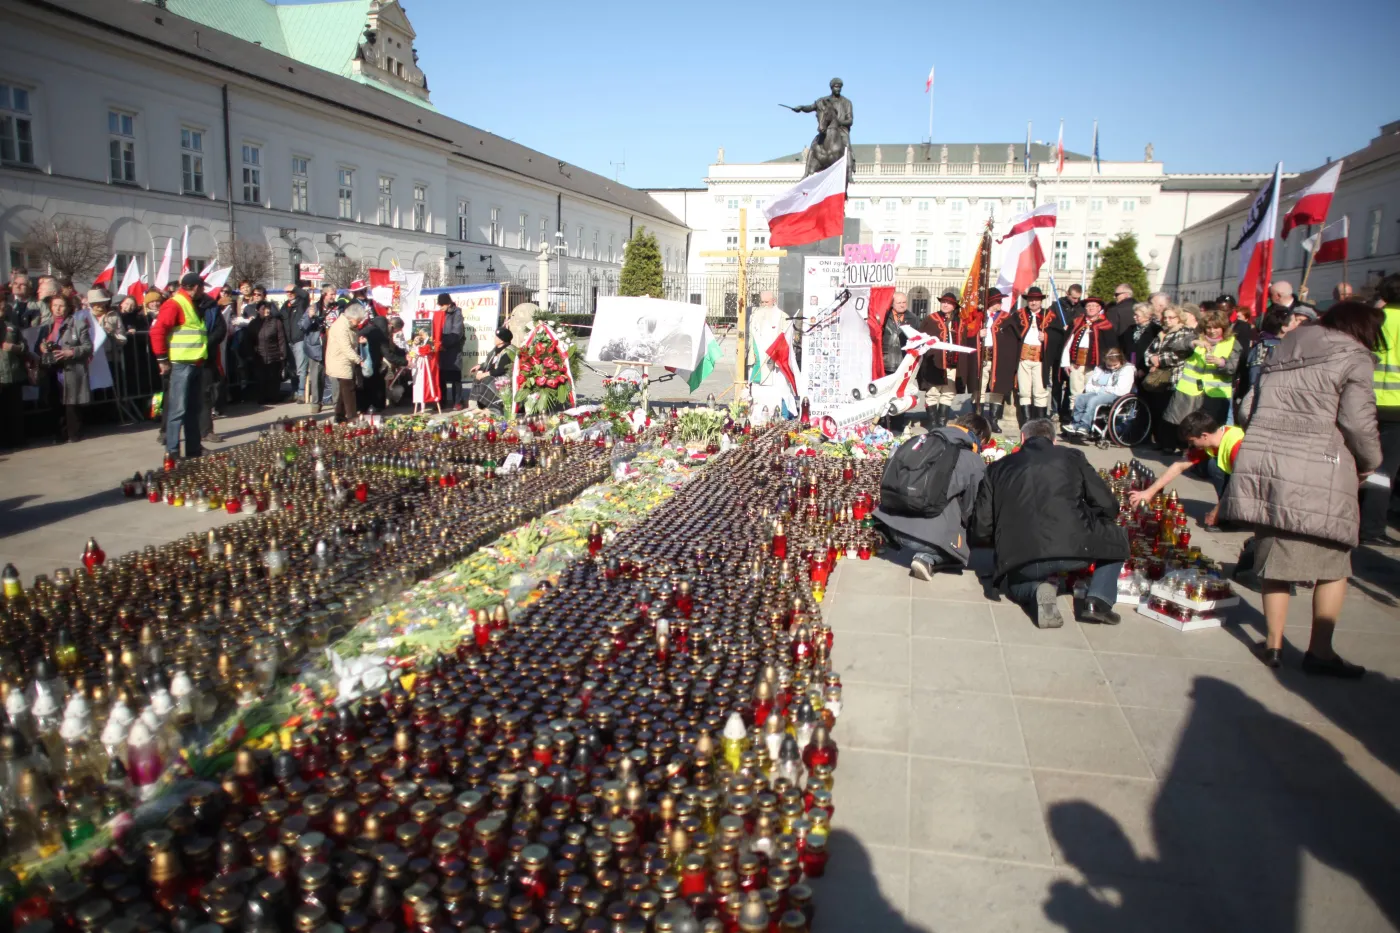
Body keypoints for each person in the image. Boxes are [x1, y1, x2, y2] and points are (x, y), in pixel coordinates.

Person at [1220, 301, 1384, 675]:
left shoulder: (1283, 348)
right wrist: (1371, 462)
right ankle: (1320, 651)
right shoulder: (1354, 356)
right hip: (1321, 467)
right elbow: (1357, 424)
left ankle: (1273, 644)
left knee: (1274, 557)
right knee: (1333, 564)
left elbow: (1246, 409)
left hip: (1269, 464)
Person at [970, 418, 1129, 628]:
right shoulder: (1073, 457)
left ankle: (1035, 590)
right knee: (1117, 536)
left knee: (1015, 584)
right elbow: (1108, 505)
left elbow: (982, 524)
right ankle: (1099, 600)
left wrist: (998, 546)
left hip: (1022, 557)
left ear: (1022, 438)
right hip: (1076, 550)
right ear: (1054, 441)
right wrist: (1088, 517)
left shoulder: (998, 467)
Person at [873, 413, 990, 579]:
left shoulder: (920, 440)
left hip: (889, 528)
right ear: (981, 438)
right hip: (925, 541)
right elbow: (973, 508)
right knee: (961, 547)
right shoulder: (971, 459)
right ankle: (927, 559)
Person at [1130, 411, 1242, 527]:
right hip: (1240, 479)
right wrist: (1148, 493)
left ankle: (1233, 517)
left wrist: (1217, 511)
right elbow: (1179, 466)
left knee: (1213, 467)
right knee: (1213, 466)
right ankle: (1229, 511)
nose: (1190, 444)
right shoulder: (1214, 439)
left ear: (1204, 436)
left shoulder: (1236, 446)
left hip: (1249, 484)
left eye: (1191, 441)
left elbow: (1238, 482)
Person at [150, 272, 209, 460]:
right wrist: (162, 359)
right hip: (181, 364)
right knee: (178, 410)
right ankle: (173, 451)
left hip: (194, 362)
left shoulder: (190, 304)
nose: (204, 291)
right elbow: (157, 331)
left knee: (192, 409)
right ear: (196, 287)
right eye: (202, 287)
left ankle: (193, 449)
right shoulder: (175, 304)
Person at [1360, 274, 1400, 546]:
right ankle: (1371, 527)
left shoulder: (1372, 319)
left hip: (1365, 402)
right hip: (1396, 408)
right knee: (1384, 471)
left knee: (1362, 464)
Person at [1164, 308, 1241, 429]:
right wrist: (1193, 343)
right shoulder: (1196, 337)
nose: (1212, 331)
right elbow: (1175, 347)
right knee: (1187, 428)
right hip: (1190, 393)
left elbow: (1234, 367)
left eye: (1216, 328)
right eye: (1209, 328)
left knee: (1211, 430)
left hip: (1216, 395)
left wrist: (1221, 362)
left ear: (1224, 328)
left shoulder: (1232, 343)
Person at [39, 293, 92, 444]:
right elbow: (38, 345)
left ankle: (74, 433)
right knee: (55, 402)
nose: (58, 309)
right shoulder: (46, 326)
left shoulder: (78, 325)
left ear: (68, 308)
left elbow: (88, 347)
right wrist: (42, 347)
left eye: (61, 306)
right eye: (55, 305)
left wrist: (71, 352)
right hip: (52, 369)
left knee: (71, 403)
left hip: (70, 368)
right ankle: (59, 434)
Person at [1062, 348, 1135, 437]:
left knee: (1094, 400)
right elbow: (1089, 386)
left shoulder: (1127, 369)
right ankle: (1076, 424)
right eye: (1109, 365)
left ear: (1121, 360)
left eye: (1115, 365)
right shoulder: (1100, 368)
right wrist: (1100, 389)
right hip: (1099, 392)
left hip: (1116, 395)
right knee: (1080, 398)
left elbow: (1121, 390)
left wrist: (1102, 389)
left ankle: (1085, 426)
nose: (1112, 368)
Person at [978, 288, 1020, 433]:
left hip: (998, 359)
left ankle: (993, 420)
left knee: (997, 389)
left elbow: (1013, 338)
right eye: (997, 301)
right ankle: (978, 420)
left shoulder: (1006, 317)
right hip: (982, 359)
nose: (1000, 304)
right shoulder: (979, 317)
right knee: (979, 389)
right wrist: (978, 334)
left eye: (1000, 301)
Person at [917, 291, 959, 428]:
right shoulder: (931, 319)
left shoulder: (958, 322)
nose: (945, 305)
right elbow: (921, 338)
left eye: (949, 303)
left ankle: (941, 423)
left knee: (948, 392)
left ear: (954, 306)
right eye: (943, 302)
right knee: (933, 392)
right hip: (935, 362)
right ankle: (933, 423)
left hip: (952, 363)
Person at [1062, 295, 1116, 398]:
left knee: (1091, 393)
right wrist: (1065, 363)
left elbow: (1111, 347)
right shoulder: (1077, 322)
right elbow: (1068, 343)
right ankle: (1075, 409)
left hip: (1095, 366)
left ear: (1099, 308)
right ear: (1085, 308)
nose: (1091, 308)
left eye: (1094, 306)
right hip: (1076, 363)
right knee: (1075, 394)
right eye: (1089, 306)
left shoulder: (1105, 325)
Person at [1013, 287, 1053, 424]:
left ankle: (1040, 422)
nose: (1033, 302)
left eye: (1036, 300)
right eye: (1031, 300)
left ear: (1041, 301)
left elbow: (1058, 336)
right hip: (1023, 359)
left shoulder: (1050, 315)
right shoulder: (1019, 315)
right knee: (1024, 391)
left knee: (1040, 391)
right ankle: (1026, 422)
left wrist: (1047, 337)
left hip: (1040, 360)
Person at [1045, 283, 1082, 420]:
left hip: (1072, 351)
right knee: (1057, 381)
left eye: (1078, 298)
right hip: (1058, 350)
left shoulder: (1081, 309)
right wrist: (1061, 326)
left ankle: (1066, 411)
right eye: (1073, 298)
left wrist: (1072, 327)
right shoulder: (1056, 306)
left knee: (1071, 382)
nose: (1076, 301)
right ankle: (1055, 409)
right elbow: (1048, 323)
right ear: (1067, 294)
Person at [325, 302, 366, 423]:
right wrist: (359, 360)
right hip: (340, 361)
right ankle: (352, 416)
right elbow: (346, 348)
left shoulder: (348, 325)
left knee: (344, 391)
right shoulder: (341, 327)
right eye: (358, 320)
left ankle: (339, 416)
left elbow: (351, 341)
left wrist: (358, 340)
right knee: (349, 388)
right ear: (352, 318)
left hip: (345, 360)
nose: (359, 323)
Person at [249, 300, 288, 404]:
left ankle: (274, 398)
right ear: (258, 310)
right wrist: (251, 353)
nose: (266, 311)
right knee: (261, 378)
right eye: (263, 309)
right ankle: (262, 398)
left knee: (273, 378)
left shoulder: (276, 322)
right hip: (259, 356)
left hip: (274, 355)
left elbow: (281, 340)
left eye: (267, 308)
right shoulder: (253, 324)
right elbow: (249, 340)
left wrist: (283, 355)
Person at [468, 326, 514, 410]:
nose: (494, 338)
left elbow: (501, 370)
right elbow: (491, 362)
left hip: (505, 377)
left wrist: (484, 374)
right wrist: (480, 366)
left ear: (501, 340)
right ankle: (477, 406)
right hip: (495, 374)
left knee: (486, 380)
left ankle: (492, 407)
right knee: (477, 379)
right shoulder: (496, 349)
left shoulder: (508, 351)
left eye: (496, 337)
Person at [436, 294, 466, 409]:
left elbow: (456, 333)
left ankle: (457, 402)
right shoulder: (441, 313)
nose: (441, 307)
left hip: (453, 350)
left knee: (455, 377)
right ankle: (441, 401)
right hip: (441, 350)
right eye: (440, 305)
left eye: (442, 305)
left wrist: (444, 344)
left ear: (448, 304)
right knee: (441, 377)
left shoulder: (457, 313)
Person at [300, 297, 327, 413]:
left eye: (334, 294)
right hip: (315, 347)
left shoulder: (336, 308)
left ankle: (335, 402)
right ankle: (316, 403)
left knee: (330, 377)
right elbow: (302, 326)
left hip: (331, 346)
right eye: (331, 294)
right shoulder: (313, 307)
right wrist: (309, 317)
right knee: (316, 377)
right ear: (324, 295)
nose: (333, 296)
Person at [1124, 302, 1160, 370]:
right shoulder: (1131, 329)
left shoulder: (1155, 330)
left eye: (1137, 315)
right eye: (1134, 314)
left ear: (1147, 316)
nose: (1134, 317)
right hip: (1129, 366)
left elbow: (1154, 352)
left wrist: (1143, 369)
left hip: (1145, 367)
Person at [1104, 283, 1137, 351]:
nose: (1114, 297)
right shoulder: (1142, 308)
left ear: (1126, 294)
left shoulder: (1114, 310)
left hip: (1121, 349)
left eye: (1116, 294)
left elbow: (1110, 334)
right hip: (1138, 349)